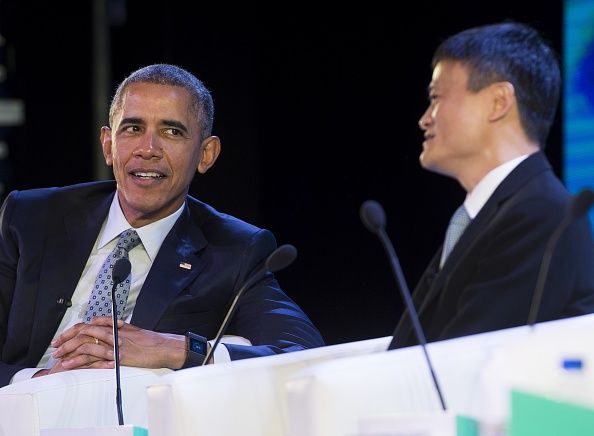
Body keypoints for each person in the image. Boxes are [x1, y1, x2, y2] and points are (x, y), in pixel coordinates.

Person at [0, 64, 324, 387]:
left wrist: (174, 348)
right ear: (108, 144)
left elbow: (301, 353)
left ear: (206, 154)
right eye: (132, 128)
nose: (148, 150)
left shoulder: (235, 251)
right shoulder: (30, 218)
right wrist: (36, 382)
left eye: (172, 132)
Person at [389, 22, 594, 349]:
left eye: (437, 98)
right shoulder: (488, 214)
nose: (425, 118)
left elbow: (467, 361)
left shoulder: (541, 216)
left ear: (499, 102)